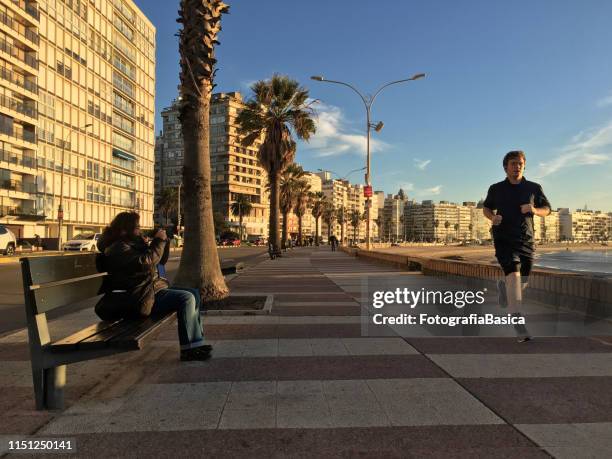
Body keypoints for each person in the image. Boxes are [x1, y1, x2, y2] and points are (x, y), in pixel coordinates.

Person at [95, 212, 212, 361]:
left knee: (193, 293)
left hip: (149, 290)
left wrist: (164, 241)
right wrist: (157, 242)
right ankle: (188, 350)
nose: (140, 230)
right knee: (186, 298)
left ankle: (196, 343)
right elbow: (148, 262)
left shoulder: (130, 244)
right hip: (139, 297)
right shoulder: (117, 248)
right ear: (125, 229)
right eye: (136, 227)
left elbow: (160, 261)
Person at [483, 150, 551, 342]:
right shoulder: (496, 188)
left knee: (523, 283)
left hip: (526, 240)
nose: (517, 166)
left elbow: (548, 209)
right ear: (506, 167)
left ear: (524, 165)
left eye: (520, 163)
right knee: (514, 276)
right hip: (504, 239)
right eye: (513, 163)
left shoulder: (534, 188)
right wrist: (492, 217)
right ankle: (519, 326)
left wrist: (535, 210)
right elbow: (486, 208)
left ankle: (504, 288)